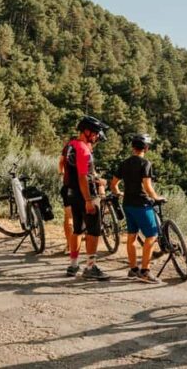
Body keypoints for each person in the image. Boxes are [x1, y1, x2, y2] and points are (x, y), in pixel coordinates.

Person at [110, 133, 164, 284]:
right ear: (146, 148)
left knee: (131, 236)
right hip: (141, 204)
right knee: (152, 236)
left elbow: (113, 184)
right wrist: (156, 197)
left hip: (127, 204)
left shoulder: (124, 163)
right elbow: (147, 186)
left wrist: (119, 193)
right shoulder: (145, 163)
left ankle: (133, 269)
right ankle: (145, 271)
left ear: (133, 147)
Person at [63, 115, 111, 280]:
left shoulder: (70, 145)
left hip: (73, 194)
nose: (98, 136)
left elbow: (68, 169)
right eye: (96, 133)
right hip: (86, 196)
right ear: (87, 131)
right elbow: (83, 176)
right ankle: (90, 268)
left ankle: (73, 264)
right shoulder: (83, 150)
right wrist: (89, 200)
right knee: (93, 232)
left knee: (77, 230)